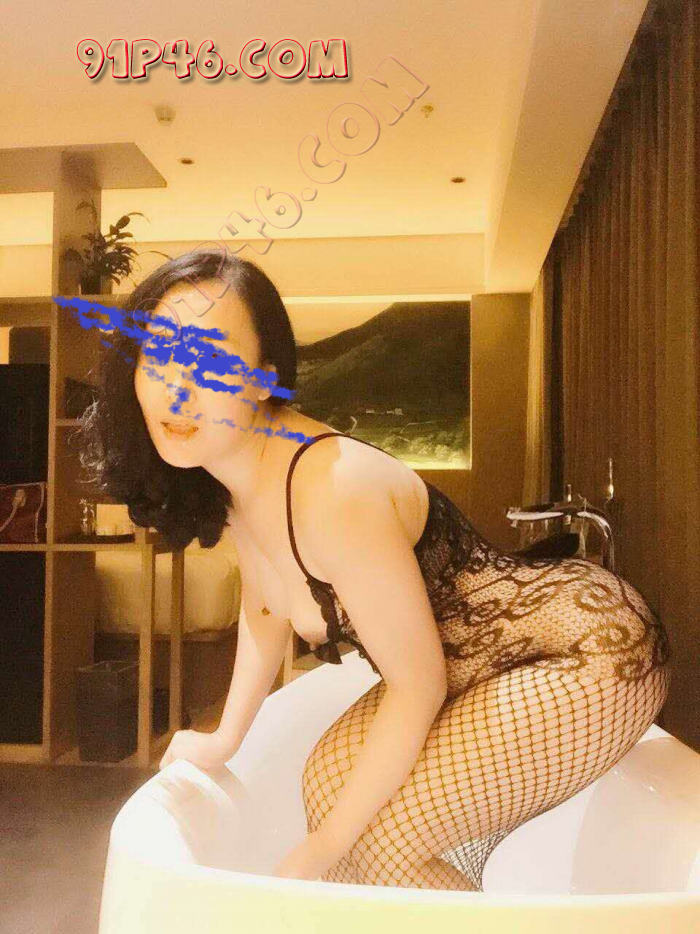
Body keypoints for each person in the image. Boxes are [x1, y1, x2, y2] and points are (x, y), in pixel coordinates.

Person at [78, 248, 672, 891]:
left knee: (384, 844)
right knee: (325, 786)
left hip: (590, 649)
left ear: (264, 378)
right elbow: (265, 606)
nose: (178, 389)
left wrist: (322, 849)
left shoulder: (334, 490)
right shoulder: (238, 471)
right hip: (483, 661)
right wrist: (224, 739)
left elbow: (418, 685)